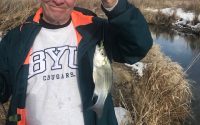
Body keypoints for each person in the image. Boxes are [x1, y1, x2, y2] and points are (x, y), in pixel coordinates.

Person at [0, 0, 153, 124]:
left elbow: (137, 47)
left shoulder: (95, 29)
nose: (59, 1)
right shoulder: (16, 38)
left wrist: (114, 5)